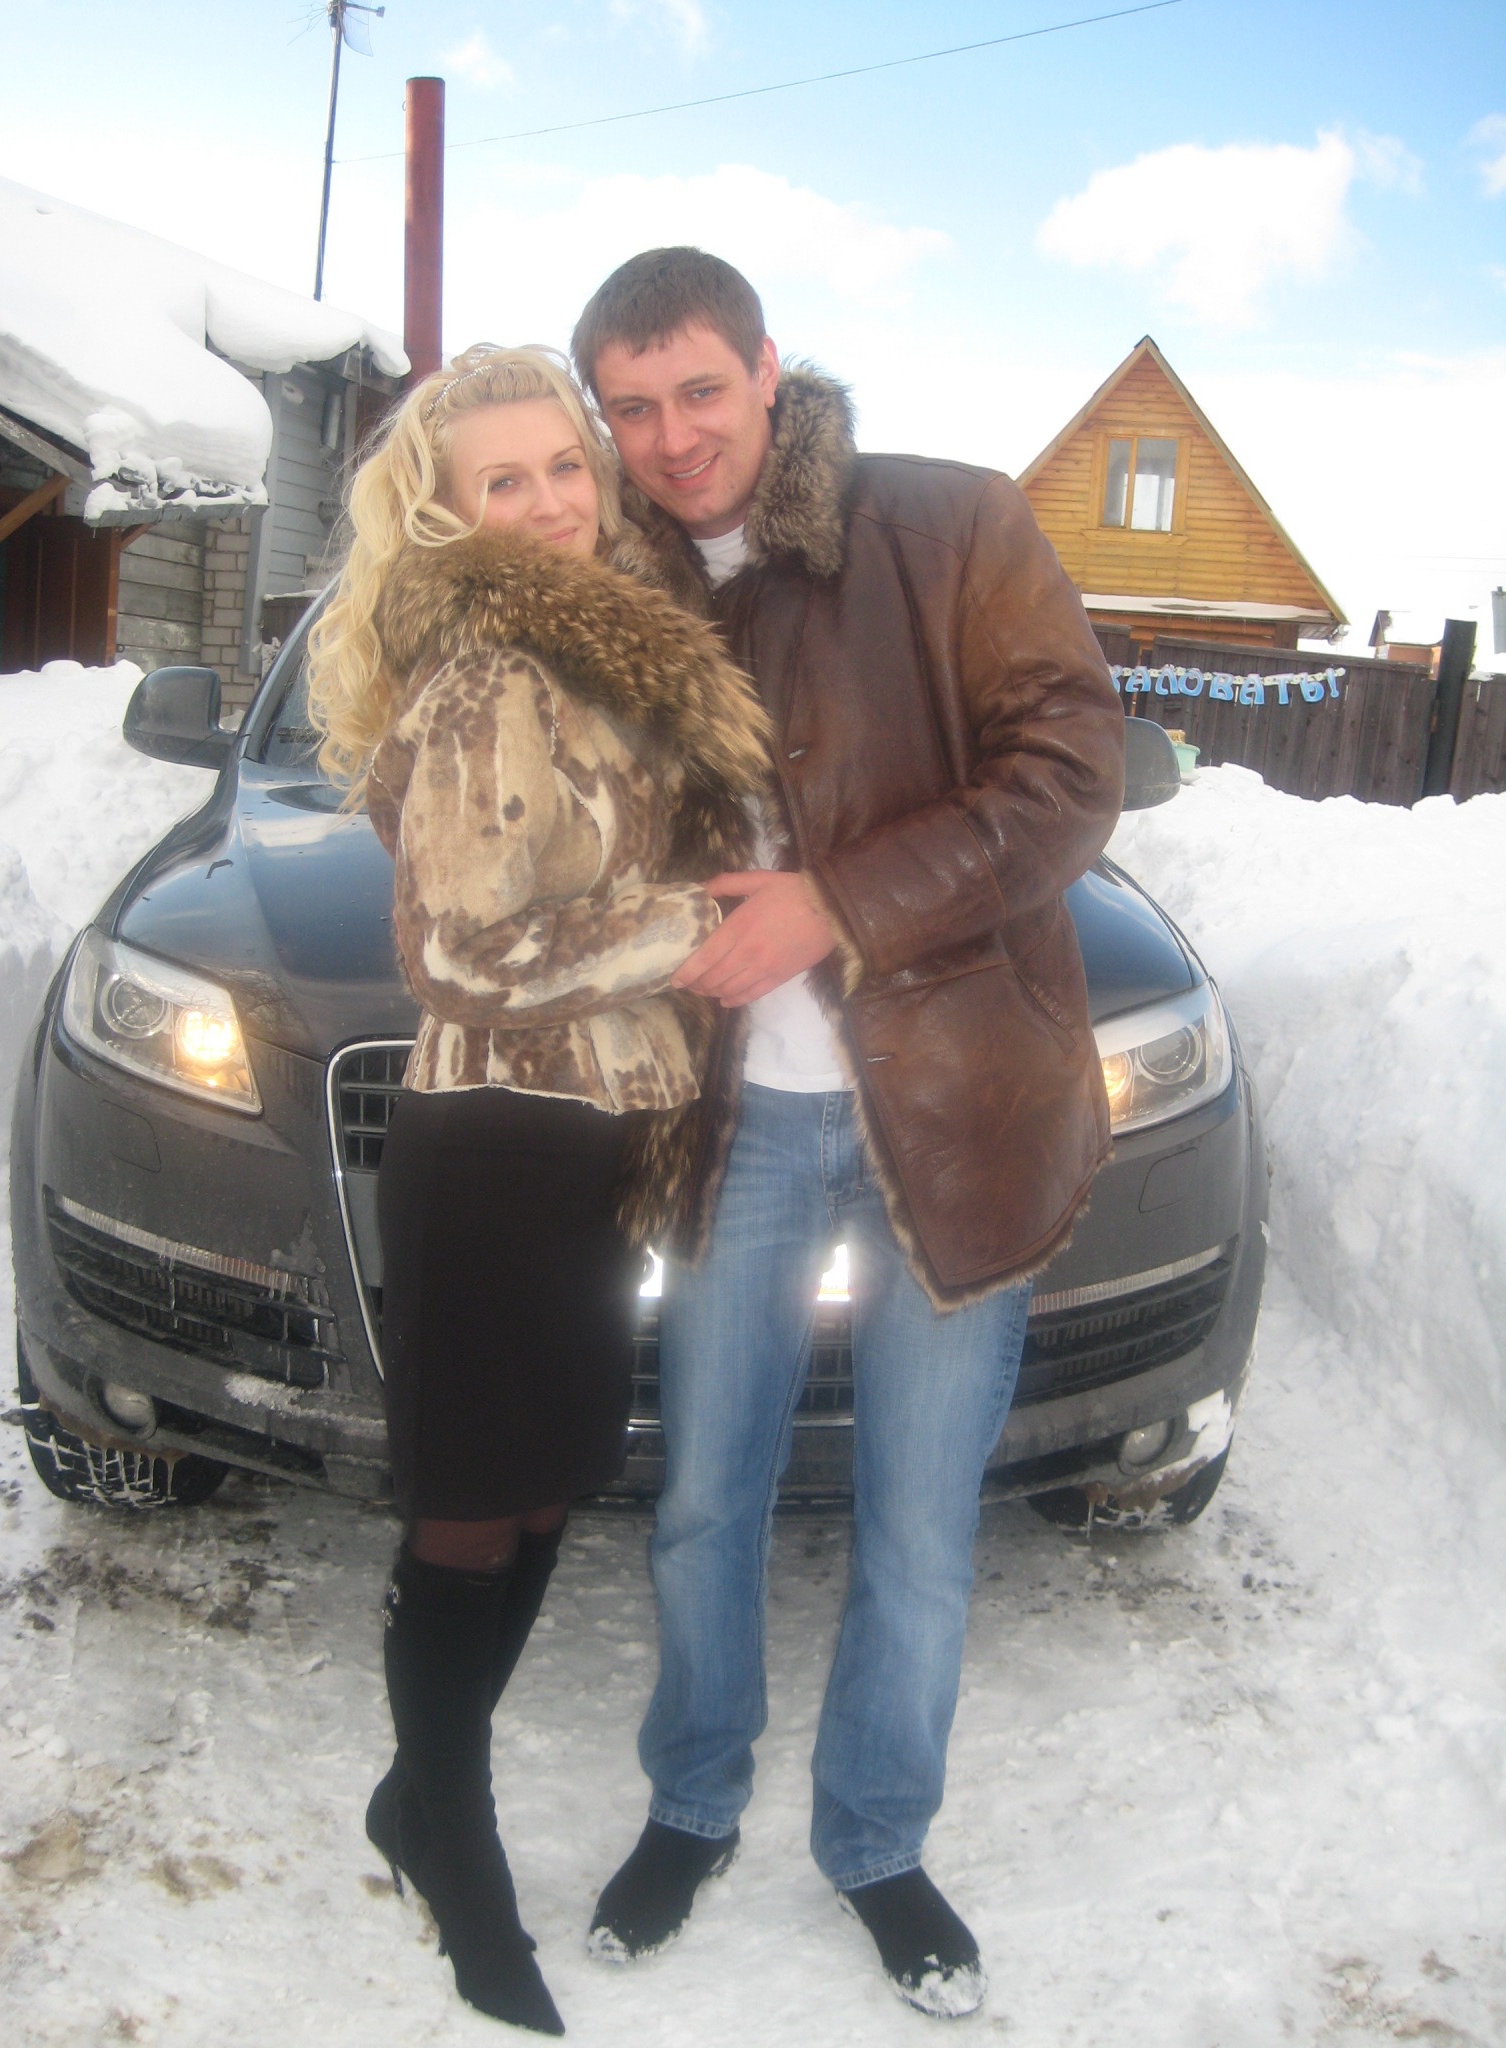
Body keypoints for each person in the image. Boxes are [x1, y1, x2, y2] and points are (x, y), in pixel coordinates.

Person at [570, 251, 1126, 2017]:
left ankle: (879, 1843)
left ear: (767, 370)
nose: (673, 439)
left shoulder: (949, 527)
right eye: (633, 408)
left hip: (953, 1117)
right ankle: (692, 1801)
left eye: (700, 392)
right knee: (702, 1503)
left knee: (918, 1531)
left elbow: (1072, 779)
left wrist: (841, 904)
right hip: (729, 1125)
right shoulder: (611, 590)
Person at [306, 344, 771, 2036]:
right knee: (471, 1513)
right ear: (449, 511)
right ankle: (462, 1863)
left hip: (587, 1143)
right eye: (505, 481)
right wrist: (688, 925)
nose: (555, 501)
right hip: (497, 1141)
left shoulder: (601, 643)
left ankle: (413, 1800)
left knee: (547, 1492)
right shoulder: (492, 669)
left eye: (565, 465)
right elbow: (457, 952)